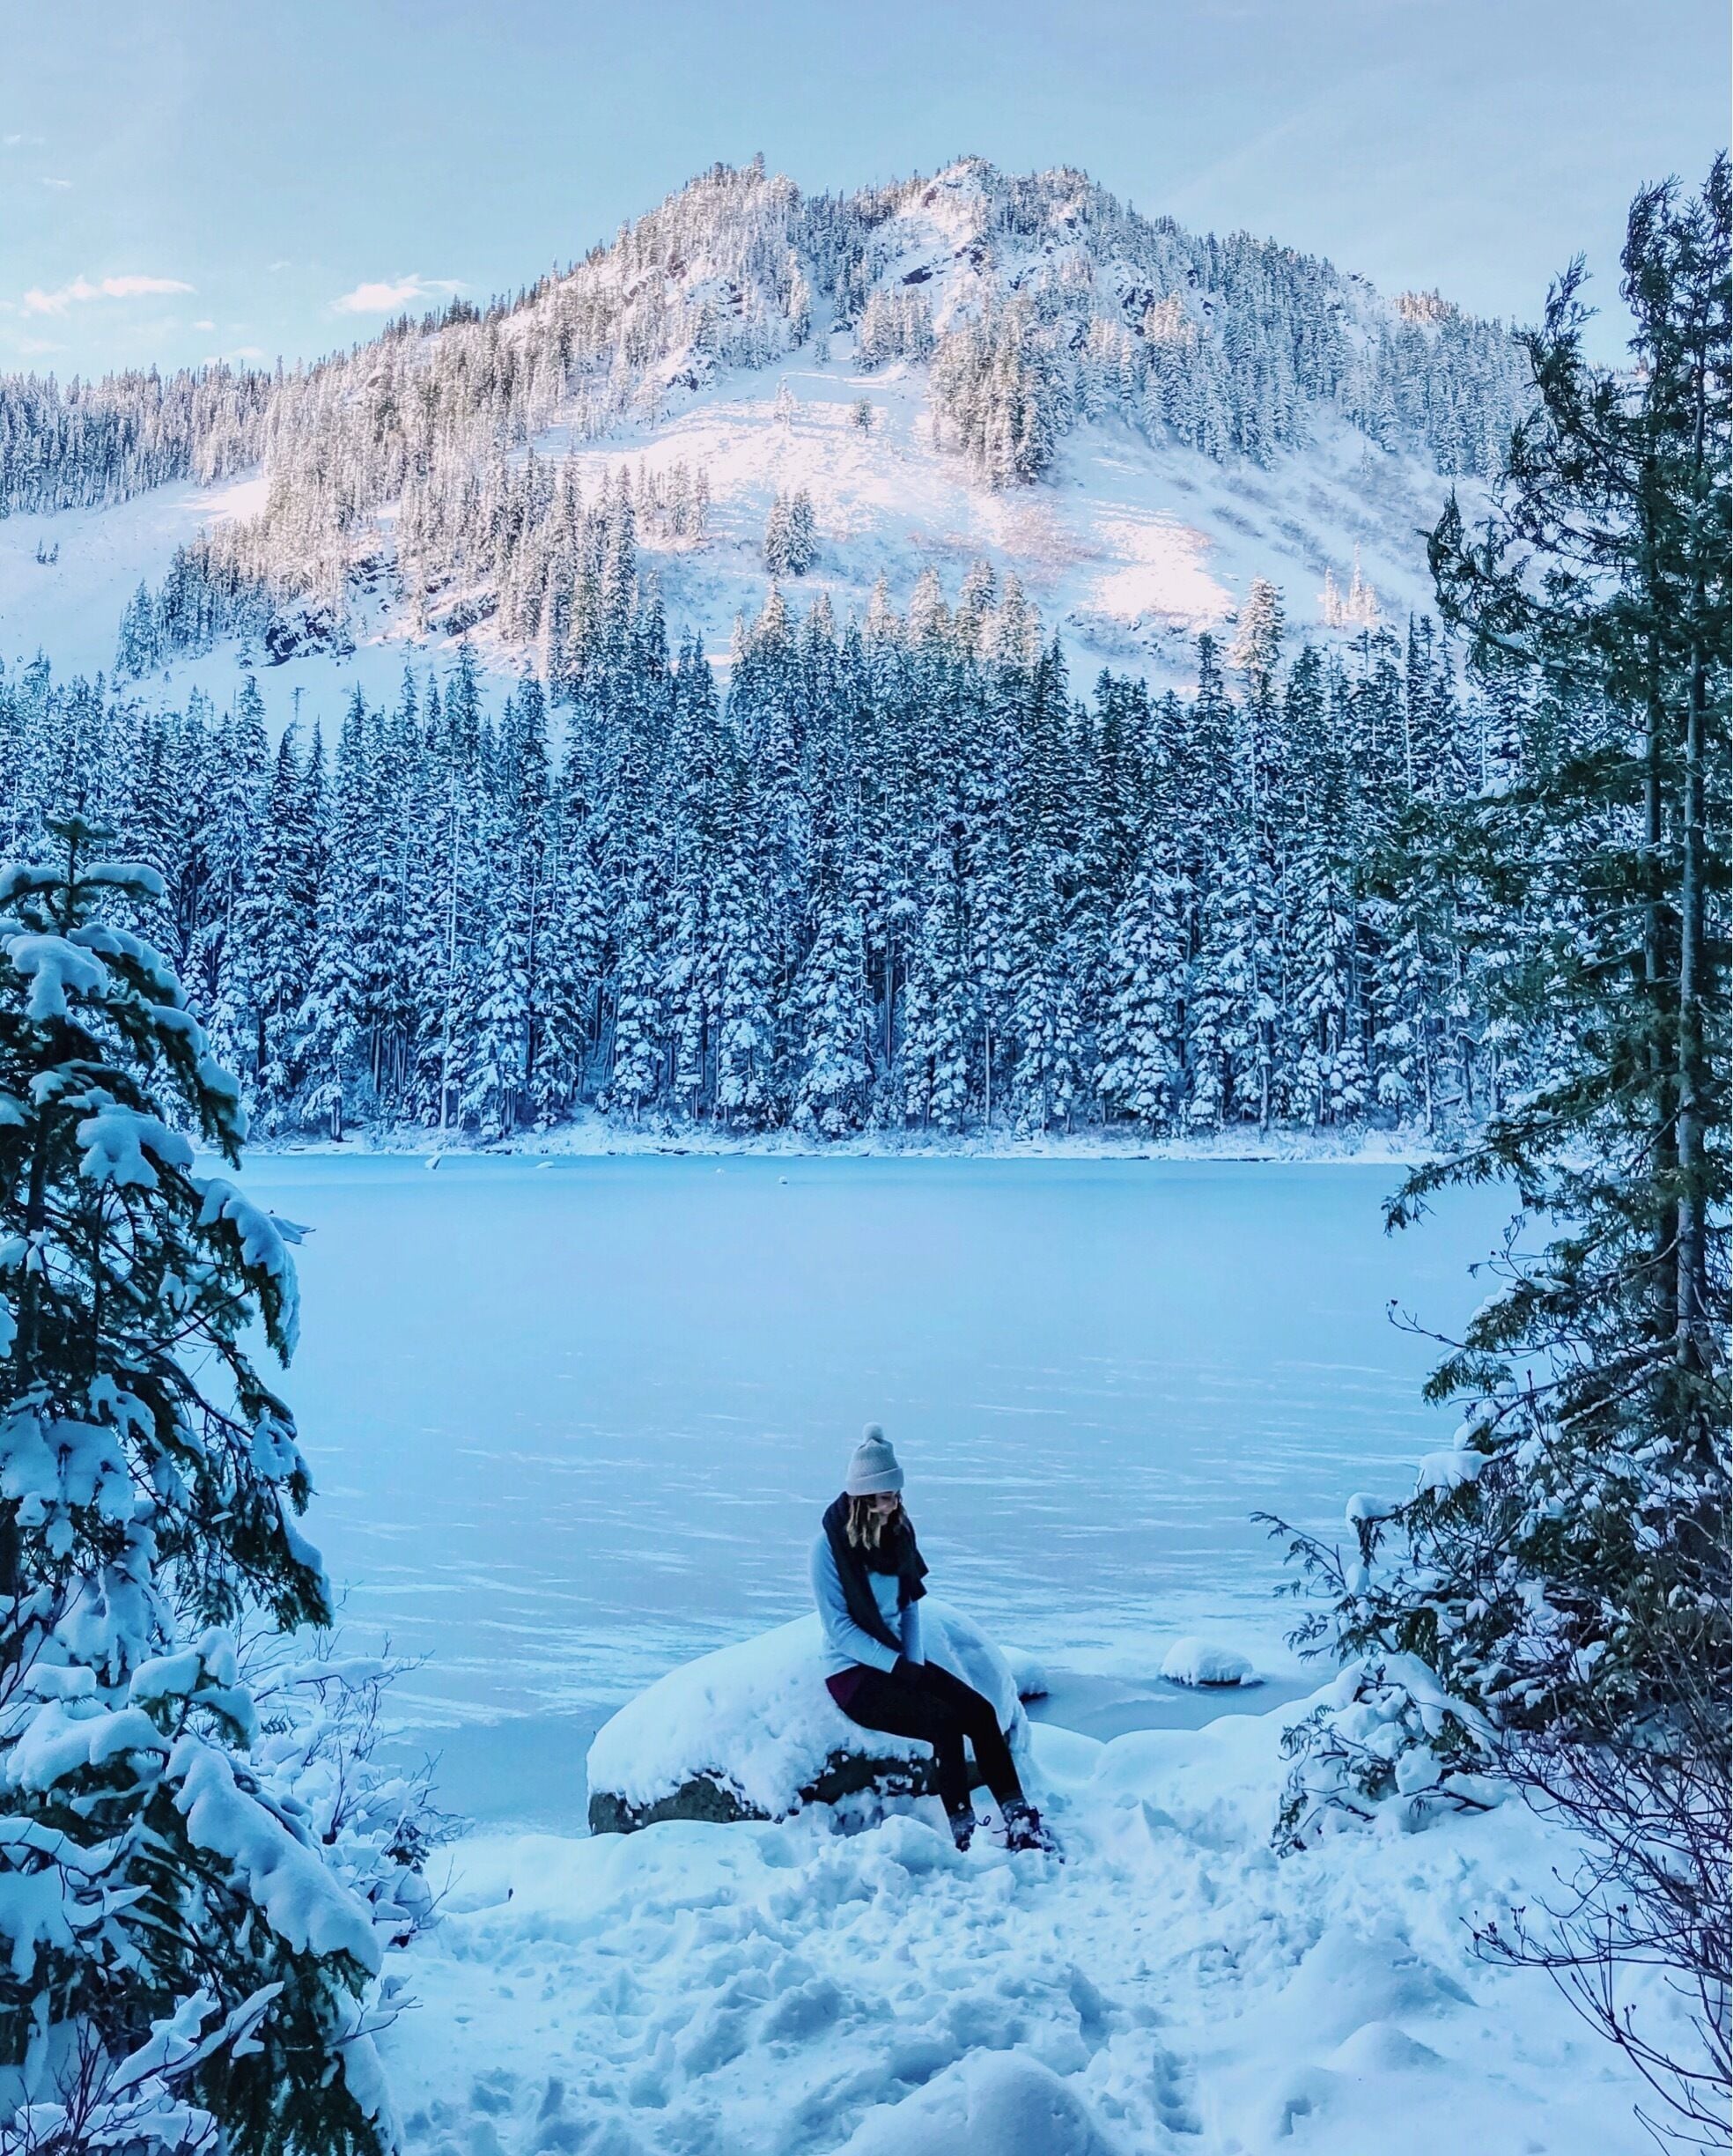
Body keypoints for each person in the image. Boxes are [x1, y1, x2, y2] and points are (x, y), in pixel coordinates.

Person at [810, 1424, 1057, 1855]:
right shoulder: (827, 1549)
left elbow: (909, 1605)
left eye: (896, 1496)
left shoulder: (899, 1533)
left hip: (895, 1662)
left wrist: (915, 1666)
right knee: (943, 1724)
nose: (893, 1505)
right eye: (884, 1498)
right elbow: (840, 1630)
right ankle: (962, 1829)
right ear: (861, 1499)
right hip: (853, 1674)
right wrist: (897, 1668)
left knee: (978, 1712)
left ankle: (1018, 1816)